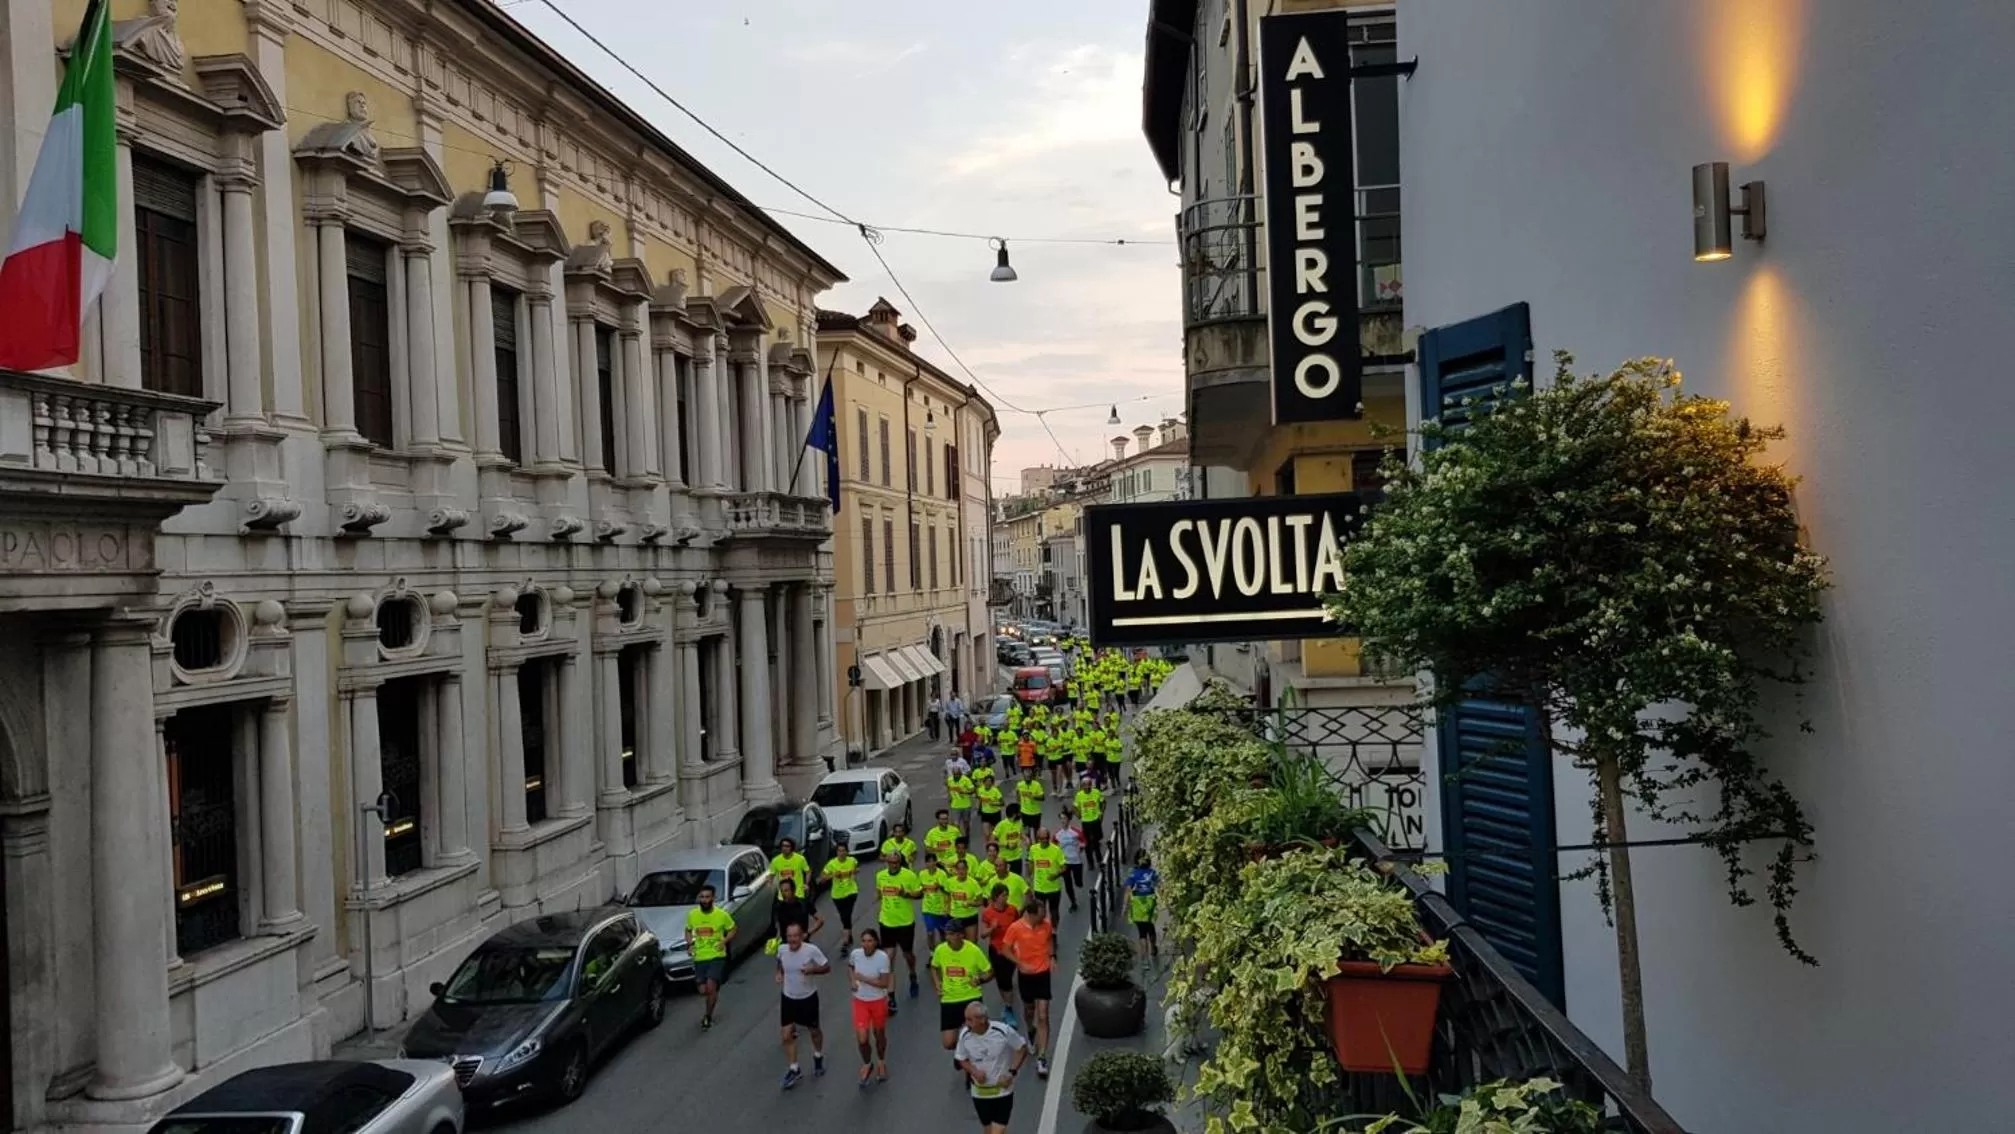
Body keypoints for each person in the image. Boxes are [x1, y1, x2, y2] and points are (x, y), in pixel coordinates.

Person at [1000, 898, 1057, 1078]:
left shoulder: (1045, 925)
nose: (1044, 918)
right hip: (1026, 975)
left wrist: (1052, 957)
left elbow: (1049, 940)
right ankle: (1031, 1031)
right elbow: (1005, 949)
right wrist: (1020, 963)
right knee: (1029, 1009)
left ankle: (1042, 1057)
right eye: (1040, 915)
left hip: (1043, 973)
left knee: (1043, 1014)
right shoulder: (1015, 928)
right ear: (1031, 914)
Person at [954, 1001, 1029, 1134]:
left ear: (982, 1019)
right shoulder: (965, 1034)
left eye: (970, 1020)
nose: (966, 1023)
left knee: (997, 1131)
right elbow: (961, 1058)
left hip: (1002, 1091)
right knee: (988, 1130)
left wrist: (1011, 1073)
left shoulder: (1003, 1031)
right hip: (979, 1093)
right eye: (966, 1019)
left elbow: (1021, 1048)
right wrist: (974, 1071)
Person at [775, 921, 830, 1088]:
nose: (792, 940)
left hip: (808, 997)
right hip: (788, 997)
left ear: (802, 936)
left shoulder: (811, 950)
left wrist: (813, 970)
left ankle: (818, 1056)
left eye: (795, 936)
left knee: (814, 1031)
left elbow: (827, 967)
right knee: (786, 1035)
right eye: (789, 936)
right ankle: (794, 1069)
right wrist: (779, 973)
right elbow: (779, 961)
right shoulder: (782, 949)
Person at [931, 919, 993, 1055]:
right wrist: (937, 982)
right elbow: (934, 967)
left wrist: (980, 980)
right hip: (949, 999)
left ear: (961, 935)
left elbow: (989, 972)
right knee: (948, 1043)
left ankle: (968, 1059)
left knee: (977, 1037)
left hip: (971, 997)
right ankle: (964, 1049)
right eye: (947, 934)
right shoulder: (940, 950)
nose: (948, 937)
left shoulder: (973, 950)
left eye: (952, 934)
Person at [874, 850, 924, 1004]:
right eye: (890, 862)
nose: (893, 865)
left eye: (896, 862)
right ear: (887, 862)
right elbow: (879, 893)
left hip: (905, 922)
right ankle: (891, 996)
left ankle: (912, 974)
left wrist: (905, 894)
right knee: (888, 958)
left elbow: (920, 894)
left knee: (907, 954)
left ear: (900, 862)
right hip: (887, 922)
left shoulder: (909, 875)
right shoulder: (880, 876)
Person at [684, 883, 736, 1031]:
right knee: (703, 991)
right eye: (702, 897)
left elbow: (733, 929)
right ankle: (713, 989)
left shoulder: (722, 915)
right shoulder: (692, 915)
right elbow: (688, 930)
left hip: (717, 956)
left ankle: (708, 1016)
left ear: (713, 898)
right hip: (700, 957)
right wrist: (690, 944)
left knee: (711, 986)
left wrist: (724, 941)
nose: (705, 900)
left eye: (707, 897)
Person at [848, 928, 893, 1086]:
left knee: (879, 1034)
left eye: (870, 941)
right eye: (864, 941)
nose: (866, 944)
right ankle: (867, 1064)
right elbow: (850, 967)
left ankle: (881, 1062)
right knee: (862, 1038)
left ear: (876, 942)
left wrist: (863, 979)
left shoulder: (882, 958)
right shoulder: (856, 954)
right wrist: (853, 981)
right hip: (860, 1001)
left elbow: (884, 983)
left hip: (878, 1000)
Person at [979, 885, 1021, 1028]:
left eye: (1007, 895)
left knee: (1007, 976)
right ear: (996, 897)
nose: (1006, 898)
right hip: (997, 950)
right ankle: (1008, 1007)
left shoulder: (1012, 910)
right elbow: (983, 934)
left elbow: (1019, 926)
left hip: (1011, 950)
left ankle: (1007, 1001)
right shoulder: (988, 913)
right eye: (1003, 895)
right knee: (1004, 981)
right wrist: (992, 927)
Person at [822, 846, 862, 951]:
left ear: (847, 852)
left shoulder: (852, 860)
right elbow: (823, 878)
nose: (842, 853)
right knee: (844, 916)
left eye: (844, 850)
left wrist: (853, 872)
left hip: (851, 892)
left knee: (846, 915)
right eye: (839, 851)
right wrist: (833, 875)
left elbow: (857, 868)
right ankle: (849, 935)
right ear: (836, 852)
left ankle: (845, 942)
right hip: (837, 895)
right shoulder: (832, 864)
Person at [1127, 849, 1160, 958]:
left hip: (1138, 903)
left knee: (1142, 932)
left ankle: (1144, 957)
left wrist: (1124, 906)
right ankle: (1153, 948)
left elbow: (1128, 890)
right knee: (1150, 927)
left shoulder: (1133, 873)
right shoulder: (1152, 873)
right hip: (1150, 902)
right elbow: (1159, 885)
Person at [772, 877, 824, 945]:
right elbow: (779, 928)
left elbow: (820, 920)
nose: (783, 894)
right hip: (787, 945)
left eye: (786, 890)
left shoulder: (803, 903)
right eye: (782, 891)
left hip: (802, 943)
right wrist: (775, 942)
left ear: (793, 890)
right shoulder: (779, 907)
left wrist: (808, 933)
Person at [1054, 808, 1085, 913]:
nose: (1063, 820)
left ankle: (1078, 882)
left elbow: (1084, 841)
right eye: (1061, 818)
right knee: (1068, 885)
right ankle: (1073, 903)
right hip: (1065, 863)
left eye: (1065, 818)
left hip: (1076, 861)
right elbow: (1053, 846)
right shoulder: (1058, 834)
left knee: (1078, 883)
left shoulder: (1076, 832)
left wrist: (1080, 848)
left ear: (1069, 819)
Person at [918, 856, 951, 951]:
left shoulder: (942, 874)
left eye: (933, 861)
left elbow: (947, 891)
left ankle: (944, 951)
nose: (931, 864)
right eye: (929, 862)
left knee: (943, 932)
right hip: (928, 909)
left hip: (941, 909)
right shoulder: (922, 874)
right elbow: (918, 888)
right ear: (926, 863)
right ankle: (932, 954)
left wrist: (940, 887)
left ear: (936, 862)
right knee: (930, 933)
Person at [1074, 775, 1106, 863]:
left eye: (1089, 785)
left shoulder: (1096, 792)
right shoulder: (1079, 795)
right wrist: (1078, 815)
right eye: (1085, 785)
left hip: (1095, 820)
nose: (1087, 787)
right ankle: (1090, 862)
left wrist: (1101, 813)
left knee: (1096, 841)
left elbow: (1103, 802)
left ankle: (1099, 859)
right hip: (1085, 822)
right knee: (1087, 842)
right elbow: (1075, 807)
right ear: (1082, 786)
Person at [975, 772, 1005, 844]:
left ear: (992, 783)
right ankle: (988, 846)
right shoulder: (980, 790)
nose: (988, 783)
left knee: (994, 834)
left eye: (990, 781)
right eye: (987, 781)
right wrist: (978, 808)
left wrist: (994, 804)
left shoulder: (995, 791)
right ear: (984, 782)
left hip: (995, 814)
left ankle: (994, 845)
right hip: (985, 814)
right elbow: (978, 799)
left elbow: (1002, 803)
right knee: (987, 834)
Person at [992, 811, 1025, 877]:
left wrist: (1025, 839)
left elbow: (1021, 834)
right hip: (1005, 859)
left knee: (1017, 878)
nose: (1020, 814)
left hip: (1017, 857)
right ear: (1014, 814)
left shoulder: (1020, 822)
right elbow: (992, 840)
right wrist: (1006, 845)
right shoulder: (1001, 825)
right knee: (1005, 878)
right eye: (1019, 812)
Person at [948, 766, 976, 840]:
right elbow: (949, 788)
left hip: (966, 805)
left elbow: (973, 790)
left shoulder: (966, 780)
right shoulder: (950, 780)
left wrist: (964, 792)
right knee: (956, 824)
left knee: (966, 822)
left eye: (958, 774)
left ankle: (967, 834)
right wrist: (950, 797)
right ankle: (958, 837)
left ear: (960, 773)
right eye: (955, 774)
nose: (956, 776)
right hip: (955, 805)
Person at [1016, 767, 1045, 831]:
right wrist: (1018, 810)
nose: (1028, 775)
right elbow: (1018, 798)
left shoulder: (1037, 785)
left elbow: (1042, 797)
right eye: (1026, 774)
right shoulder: (1019, 785)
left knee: (1036, 832)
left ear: (1031, 775)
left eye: (1029, 774)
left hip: (1035, 813)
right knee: (1026, 832)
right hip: (1024, 813)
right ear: (1023, 775)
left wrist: (1033, 796)